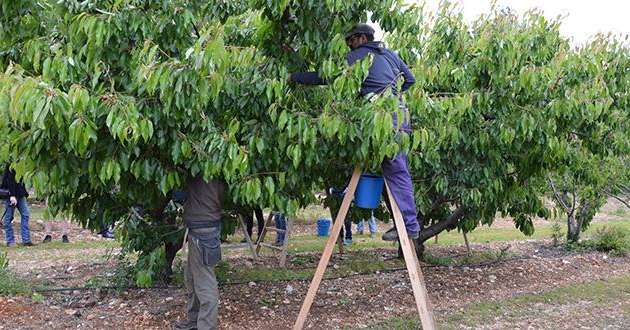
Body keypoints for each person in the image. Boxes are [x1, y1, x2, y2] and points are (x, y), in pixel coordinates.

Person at [289, 23, 420, 242]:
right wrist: (393, 96)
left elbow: (325, 77)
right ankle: (406, 224)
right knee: (396, 171)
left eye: (350, 40)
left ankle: (409, 226)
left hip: (381, 121)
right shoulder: (390, 54)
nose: (348, 45)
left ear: (361, 38)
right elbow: (410, 79)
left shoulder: (356, 57)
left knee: (394, 171)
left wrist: (295, 77)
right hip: (400, 115)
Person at [172, 175, 226, 330]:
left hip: (203, 230)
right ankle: (194, 321)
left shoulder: (198, 170)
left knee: (204, 283)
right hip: (202, 228)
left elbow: (178, 195)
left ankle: (206, 326)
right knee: (191, 278)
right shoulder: (217, 170)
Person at [2, 164, 32, 247]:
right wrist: (12, 195)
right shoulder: (11, 162)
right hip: (11, 195)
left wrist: (24, 192)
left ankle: (26, 240)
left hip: (20, 194)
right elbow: (9, 180)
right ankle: (10, 241)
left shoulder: (23, 161)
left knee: (25, 214)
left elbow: (21, 179)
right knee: (8, 218)